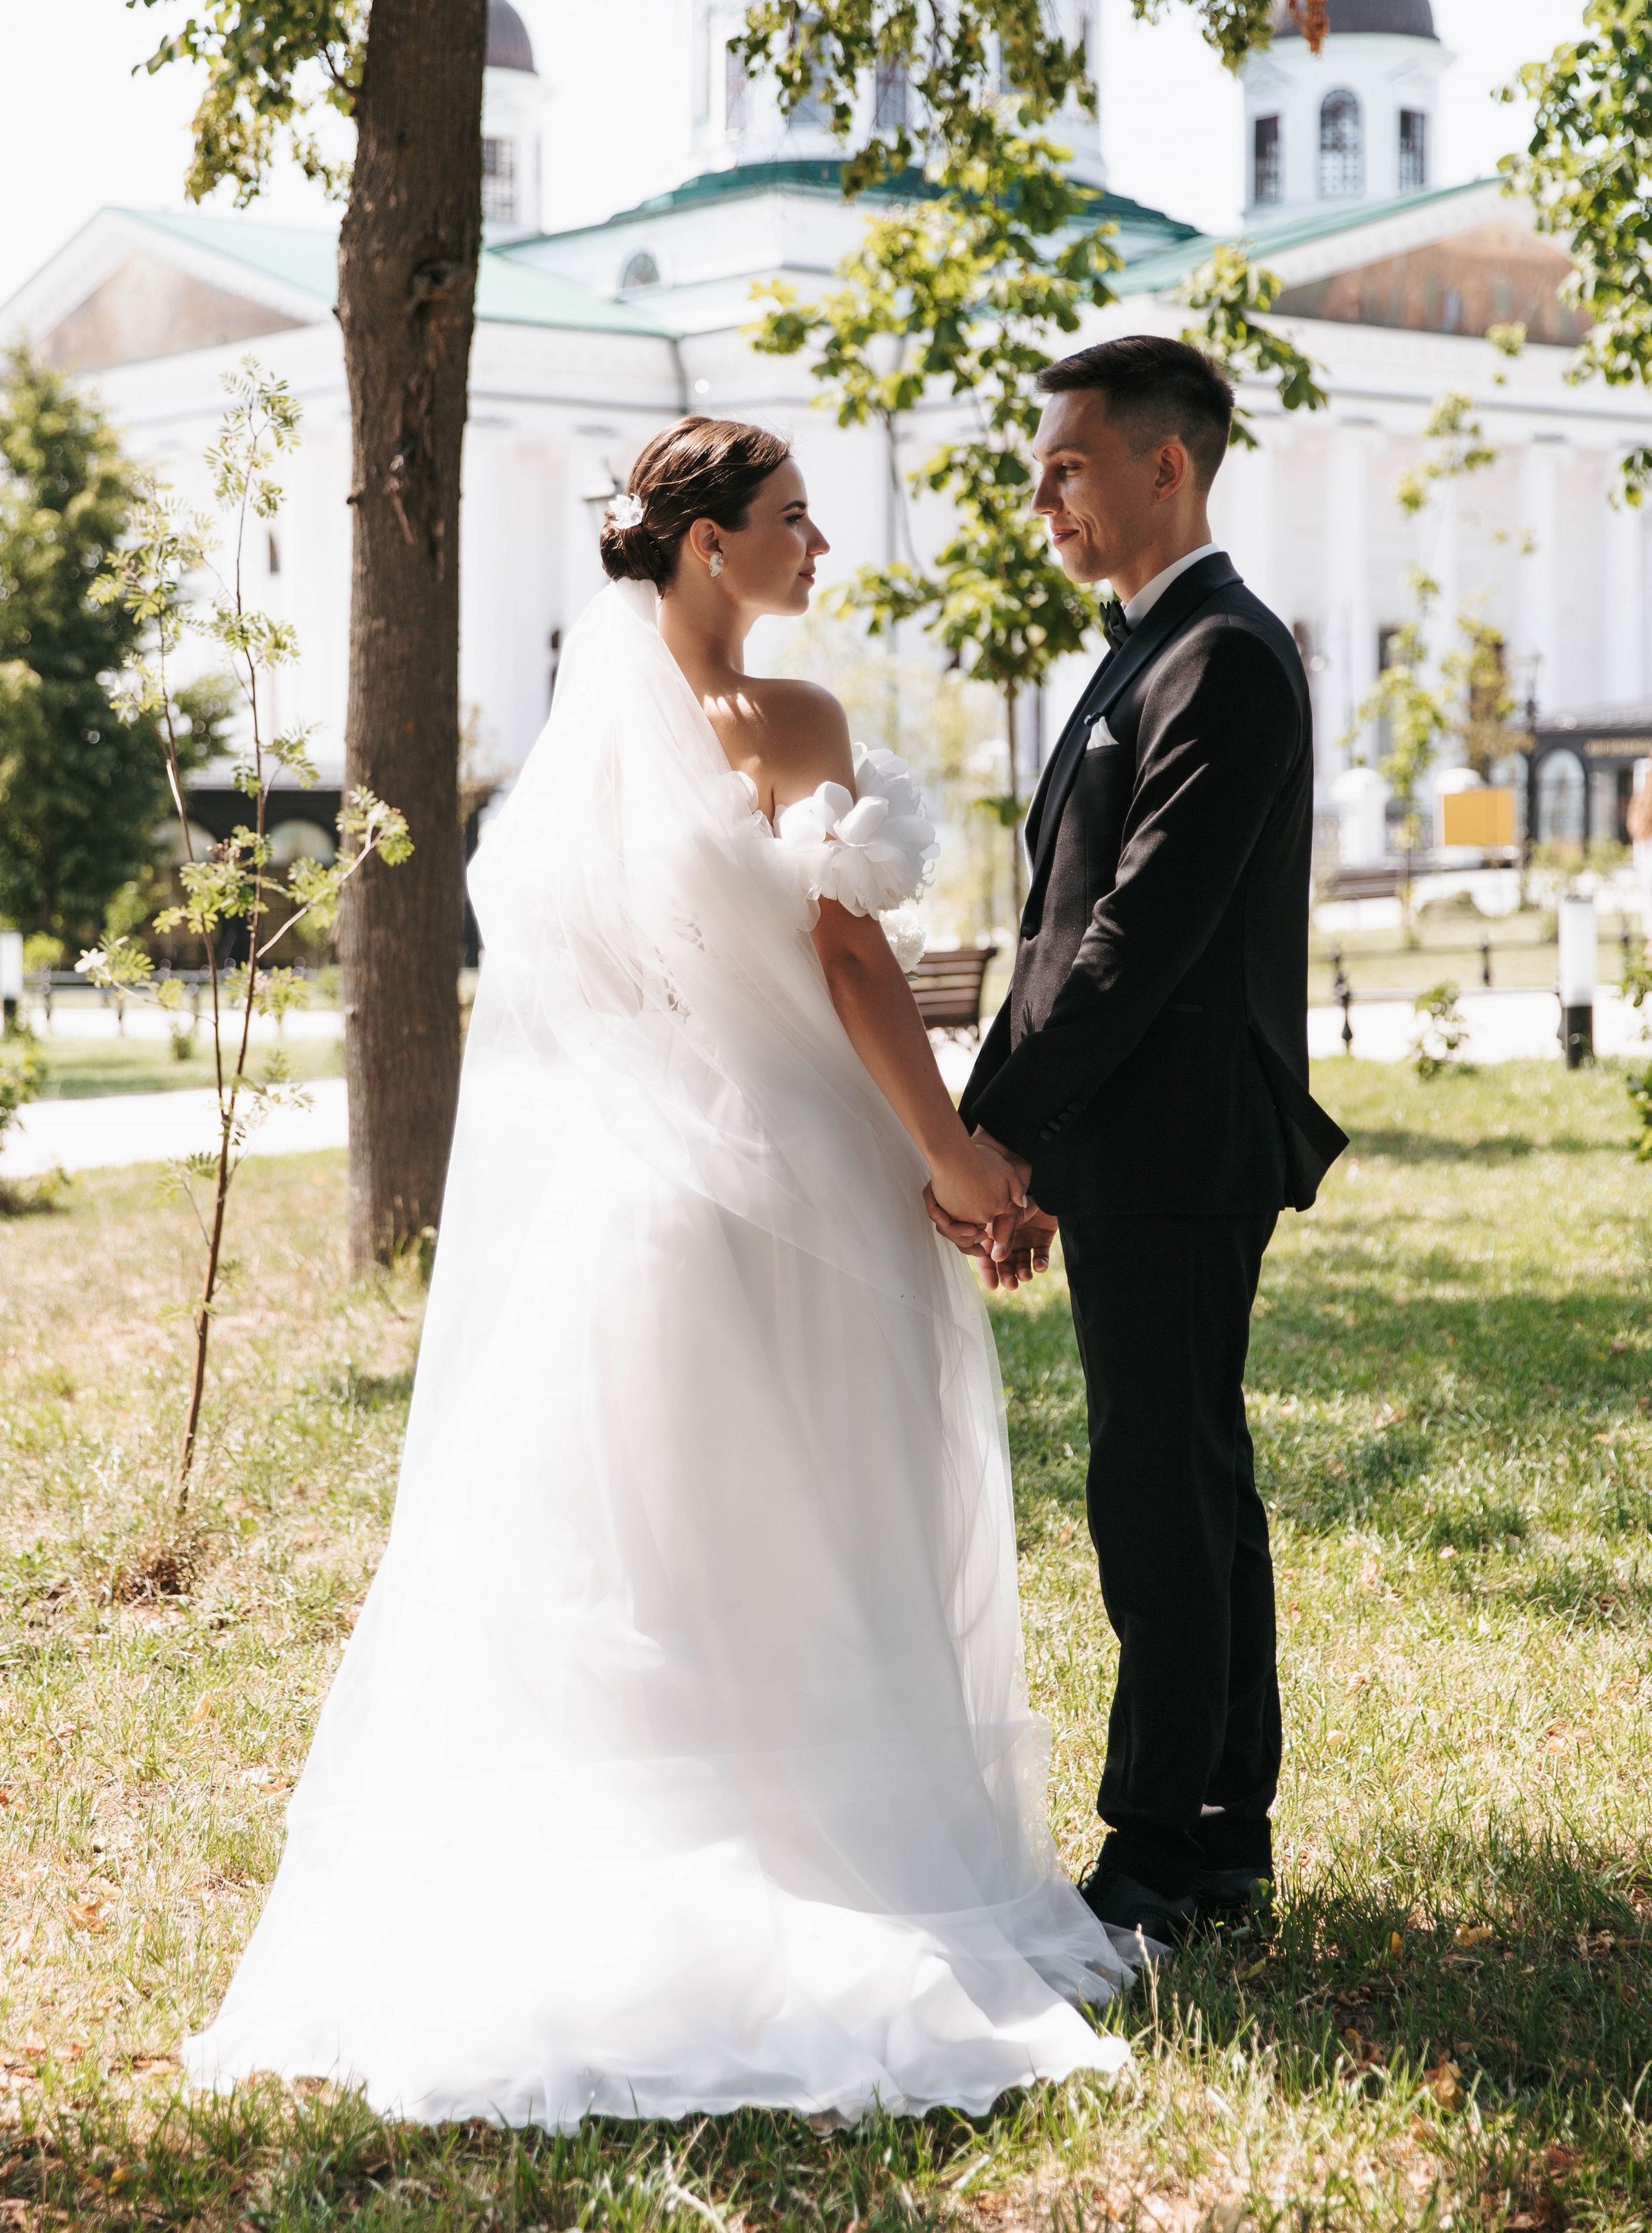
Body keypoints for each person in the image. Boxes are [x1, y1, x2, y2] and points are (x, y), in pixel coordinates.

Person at [186, 415, 1138, 2127]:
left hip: (621, 1212)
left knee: (648, 1554)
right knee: (817, 1526)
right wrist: (955, 1158)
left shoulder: (581, 753)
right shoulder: (788, 724)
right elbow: (850, 969)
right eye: (790, 520)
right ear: (706, 547)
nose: (815, 548)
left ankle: (637, 1847)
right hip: (792, 1186)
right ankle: (828, 1858)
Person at [930, 337, 1347, 1945]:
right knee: (1186, 1473)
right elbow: (1063, 929)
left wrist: (988, 1135)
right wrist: (1015, 1144)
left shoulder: (1223, 657)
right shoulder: (1141, 649)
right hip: (1128, 1137)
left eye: (1064, 466)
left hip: (1181, 1143)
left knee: (1154, 1492)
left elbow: (1129, 942)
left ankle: (1159, 1855)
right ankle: (1225, 1827)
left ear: (1160, 466)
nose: (1042, 496)